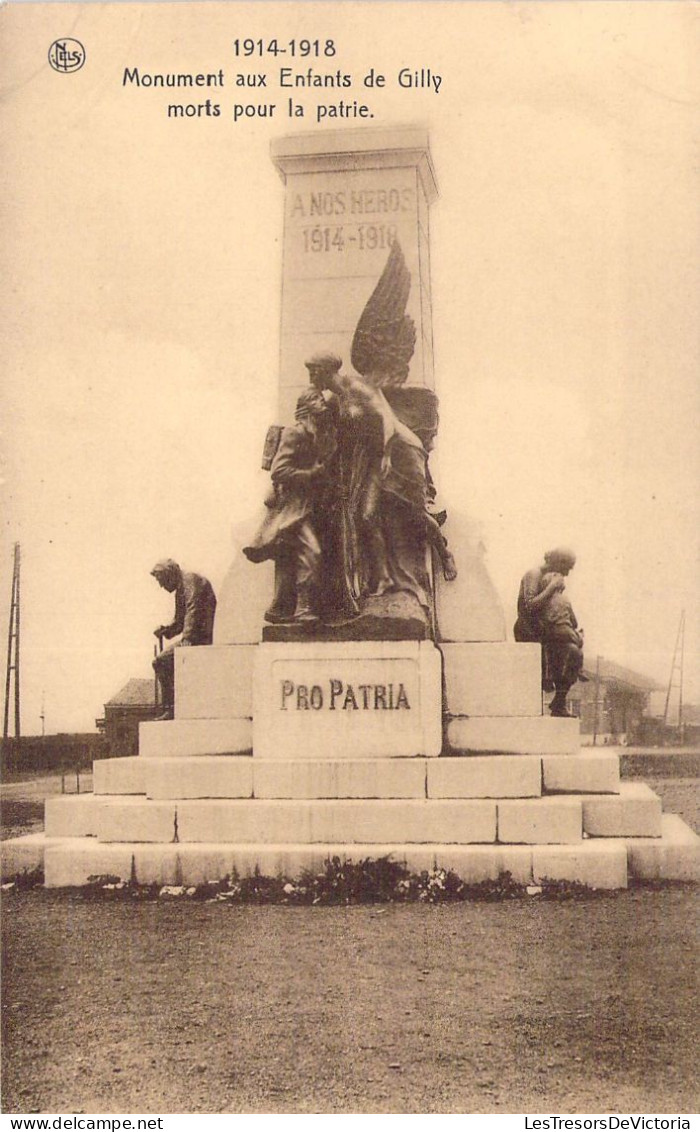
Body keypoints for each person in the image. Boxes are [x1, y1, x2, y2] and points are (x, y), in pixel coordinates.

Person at [243, 387, 332, 623]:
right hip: (293, 507)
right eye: (316, 399)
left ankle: (282, 608)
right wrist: (312, 473)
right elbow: (279, 470)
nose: (322, 403)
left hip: (308, 506)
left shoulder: (315, 433)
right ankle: (303, 609)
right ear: (306, 406)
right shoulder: (295, 433)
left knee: (289, 558)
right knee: (312, 552)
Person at [514, 547, 584, 715]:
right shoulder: (534, 574)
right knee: (563, 643)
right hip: (528, 629)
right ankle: (549, 687)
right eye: (566, 568)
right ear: (556, 563)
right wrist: (552, 587)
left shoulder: (551, 580)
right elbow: (529, 606)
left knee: (574, 653)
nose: (566, 574)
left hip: (547, 629)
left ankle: (558, 702)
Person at [151, 559, 217, 720]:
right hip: (195, 637)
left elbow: (193, 610)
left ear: (170, 574)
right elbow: (180, 620)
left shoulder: (190, 580)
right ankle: (172, 707)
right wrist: (166, 630)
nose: (161, 586)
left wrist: (187, 638)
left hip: (202, 637)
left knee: (161, 662)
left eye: (161, 581)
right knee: (162, 662)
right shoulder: (181, 588)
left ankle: (171, 708)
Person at [537, 571, 585, 717]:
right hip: (565, 634)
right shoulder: (565, 600)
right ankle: (580, 670)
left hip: (549, 637)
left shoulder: (543, 600)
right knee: (578, 647)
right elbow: (574, 622)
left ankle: (557, 701)